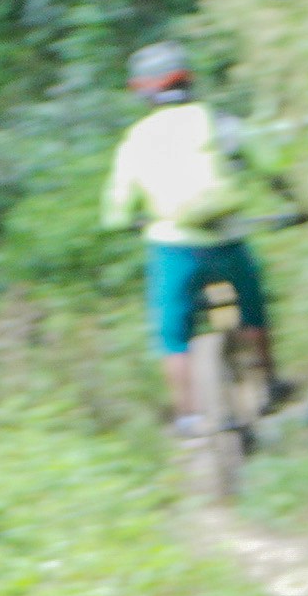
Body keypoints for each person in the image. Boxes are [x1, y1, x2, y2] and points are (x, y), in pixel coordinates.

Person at [101, 41, 287, 432]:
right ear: (189, 80)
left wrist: (127, 223)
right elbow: (269, 164)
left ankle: (188, 416)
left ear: (144, 91)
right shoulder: (220, 121)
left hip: (174, 248)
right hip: (226, 239)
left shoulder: (136, 139)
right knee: (251, 309)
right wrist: (293, 201)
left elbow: (116, 210)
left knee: (173, 335)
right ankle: (269, 385)